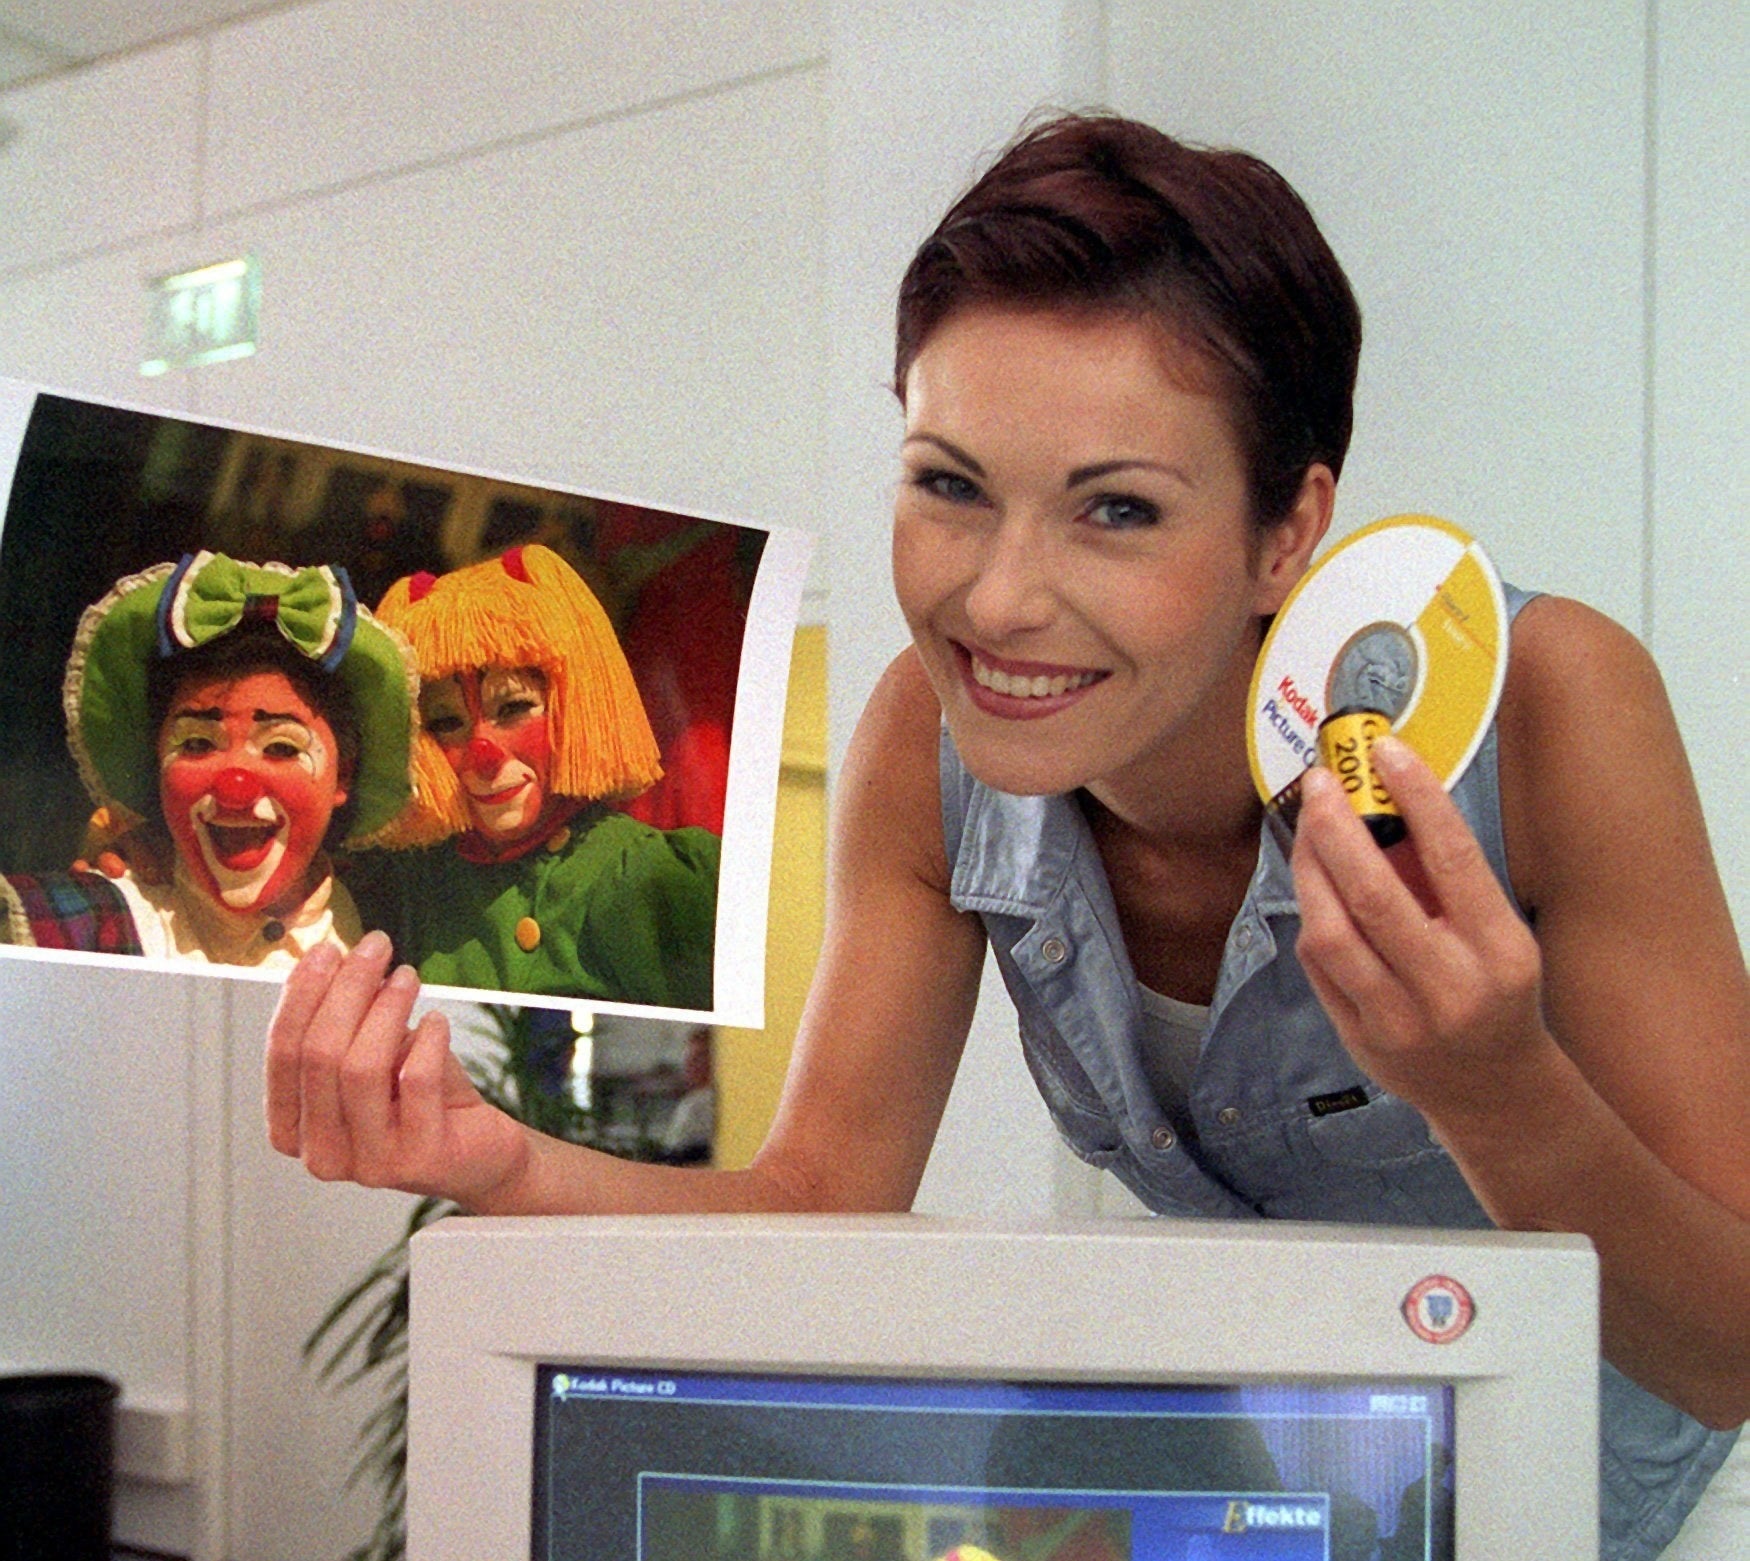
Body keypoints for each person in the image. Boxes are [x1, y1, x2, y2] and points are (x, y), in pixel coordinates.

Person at [263, 115, 1747, 1558]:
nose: (997, 601)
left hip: (1636, 1493)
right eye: (948, 487)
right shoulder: (925, 735)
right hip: (1301, 1478)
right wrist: (495, 1157)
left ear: (1288, 533)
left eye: (1115, 509)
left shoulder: (1547, 708)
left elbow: (1736, 1347)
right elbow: (820, 1199)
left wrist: (1494, 1094)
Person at [345, 542, 720, 1009]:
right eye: (446, 722)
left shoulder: (661, 876)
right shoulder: (404, 884)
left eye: (515, 707)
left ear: (570, 702)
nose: (484, 753)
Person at [2, 551, 416, 966]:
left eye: (282, 748)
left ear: (342, 775)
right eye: (198, 744)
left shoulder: (390, 923)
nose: (235, 787)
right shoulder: (84, 924)